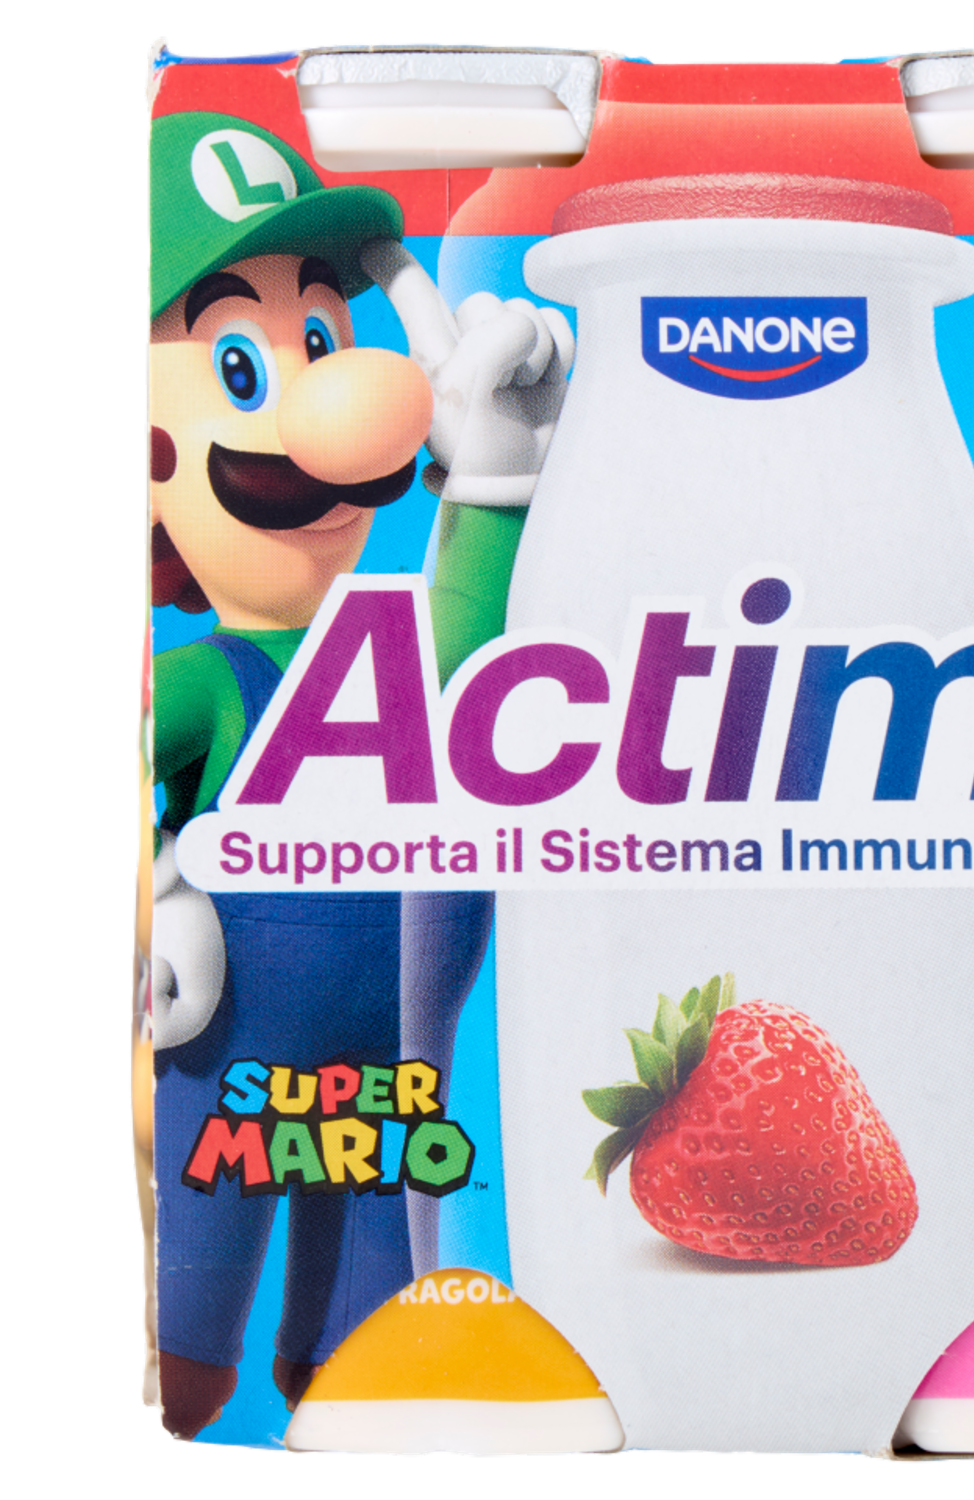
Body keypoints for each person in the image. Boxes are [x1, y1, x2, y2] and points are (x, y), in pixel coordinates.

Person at [148, 110, 569, 1439]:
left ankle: (328, 1376)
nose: (334, 403)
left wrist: (492, 474)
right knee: (192, 1334)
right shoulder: (204, 680)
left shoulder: (375, 646)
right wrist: (162, 900)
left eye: (324, 340)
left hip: (396, 1069)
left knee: (370, 1334)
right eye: (243, 360)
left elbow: (468, 666)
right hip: (229, 1059)